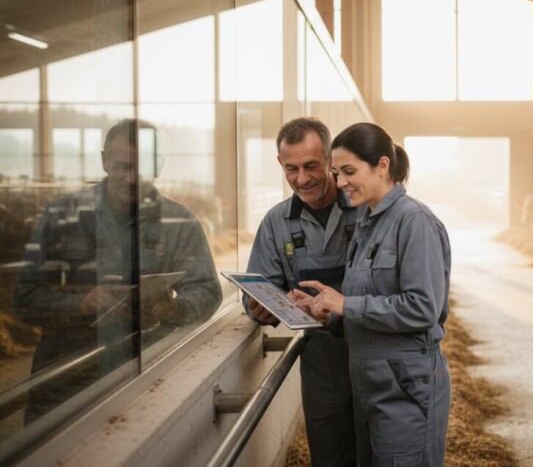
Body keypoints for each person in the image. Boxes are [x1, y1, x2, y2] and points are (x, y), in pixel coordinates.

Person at [14, 118, 222, 423]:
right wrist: (81, 305)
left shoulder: (179, 222)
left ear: (159, 165)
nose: (132, 178)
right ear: (103, 161)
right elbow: (24, 300)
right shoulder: (62, 216)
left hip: (147, 378)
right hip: (65, 384)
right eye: (123, 166)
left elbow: (208, 291)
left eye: (142, 168)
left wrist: (171, 308)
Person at [292, 122, 452, 467]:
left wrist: (347, 304)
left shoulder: (414, 222)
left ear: (382, 166)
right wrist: (328, 312)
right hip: (369, 384)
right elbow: (366, 304)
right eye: (336, 172)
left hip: (406, 385)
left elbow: (423, 308)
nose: (341, 182)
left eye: (349, 171)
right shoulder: (368, 223)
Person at [243, 117, 359, 467]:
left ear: (330, 160)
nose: (302, 178)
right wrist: (258, 308)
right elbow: (261, 288)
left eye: (311, 166)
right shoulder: (276, 223)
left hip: (374, 348)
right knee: (330, 454)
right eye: (291, 168)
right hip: (322, 362)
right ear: (280, 164)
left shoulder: (364, 207)